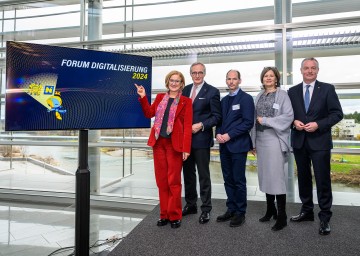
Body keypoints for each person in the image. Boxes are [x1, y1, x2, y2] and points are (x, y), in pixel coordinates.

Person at [288, 57, 343, 235]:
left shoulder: (327, 89)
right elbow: (287, 116)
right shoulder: (292, 91)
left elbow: (337, 114)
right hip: (299, 142)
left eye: (313, 68)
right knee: (303, 178)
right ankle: (307, 211)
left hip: (320, 142)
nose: (309, 71)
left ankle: (325, 217)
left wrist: (319, 124)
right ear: (301, 70)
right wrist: (293, 122)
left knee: (322, 180)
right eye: (306, 68)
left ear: (317, 70)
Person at [135, 70, 193, 229]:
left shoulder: (186, 101)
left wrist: (186, 148)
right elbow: (149, 113)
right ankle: (164, 214)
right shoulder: (161, 97)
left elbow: (187, 127)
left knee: (173, 181)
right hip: (159, 143)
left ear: (181, 84)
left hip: (175, 145)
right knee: (162, 182)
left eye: (177, 81)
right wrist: (143, 96)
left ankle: (175, 215)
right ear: (168, 82)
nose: (174, 83)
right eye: (171, 80)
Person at [250, 67, 294, 231]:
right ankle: (270, 210)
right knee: (265, 176)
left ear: (276, 79)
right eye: (265, 76)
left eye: (271, 76)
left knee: (276, 177)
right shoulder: (259, 95)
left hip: (275, 138)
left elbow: (288, 116)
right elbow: (254, 120)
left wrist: (267, 120)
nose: (268, 78)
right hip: (260, 139)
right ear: (262, 79)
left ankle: (282, 216)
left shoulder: (282, 95)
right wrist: (253, 141)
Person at [182, 62, 222, 224]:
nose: (197, 75)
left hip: (201, 139)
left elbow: (217, 117)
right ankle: (191, 204)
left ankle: (206, 209)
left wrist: (201, 125)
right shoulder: (184, 90)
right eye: (194, 73)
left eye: (200, 72)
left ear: (204, 73)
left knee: (204, 176)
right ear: (190, 74)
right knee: (188, 174)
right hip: (185, 140)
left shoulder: (212, 91)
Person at [215, 69, 254, 227]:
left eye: (234, 79)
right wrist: (218, 133)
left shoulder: (246, 99)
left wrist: (229, 135)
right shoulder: (224, 101)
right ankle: (231, 208)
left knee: (238, 180)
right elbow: (219, 121)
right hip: (224, 146)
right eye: (228, 79)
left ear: (239, 80)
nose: (231, 81)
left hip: (238, 145)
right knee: (227, 180)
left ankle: (240, 212)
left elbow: (247, 123)